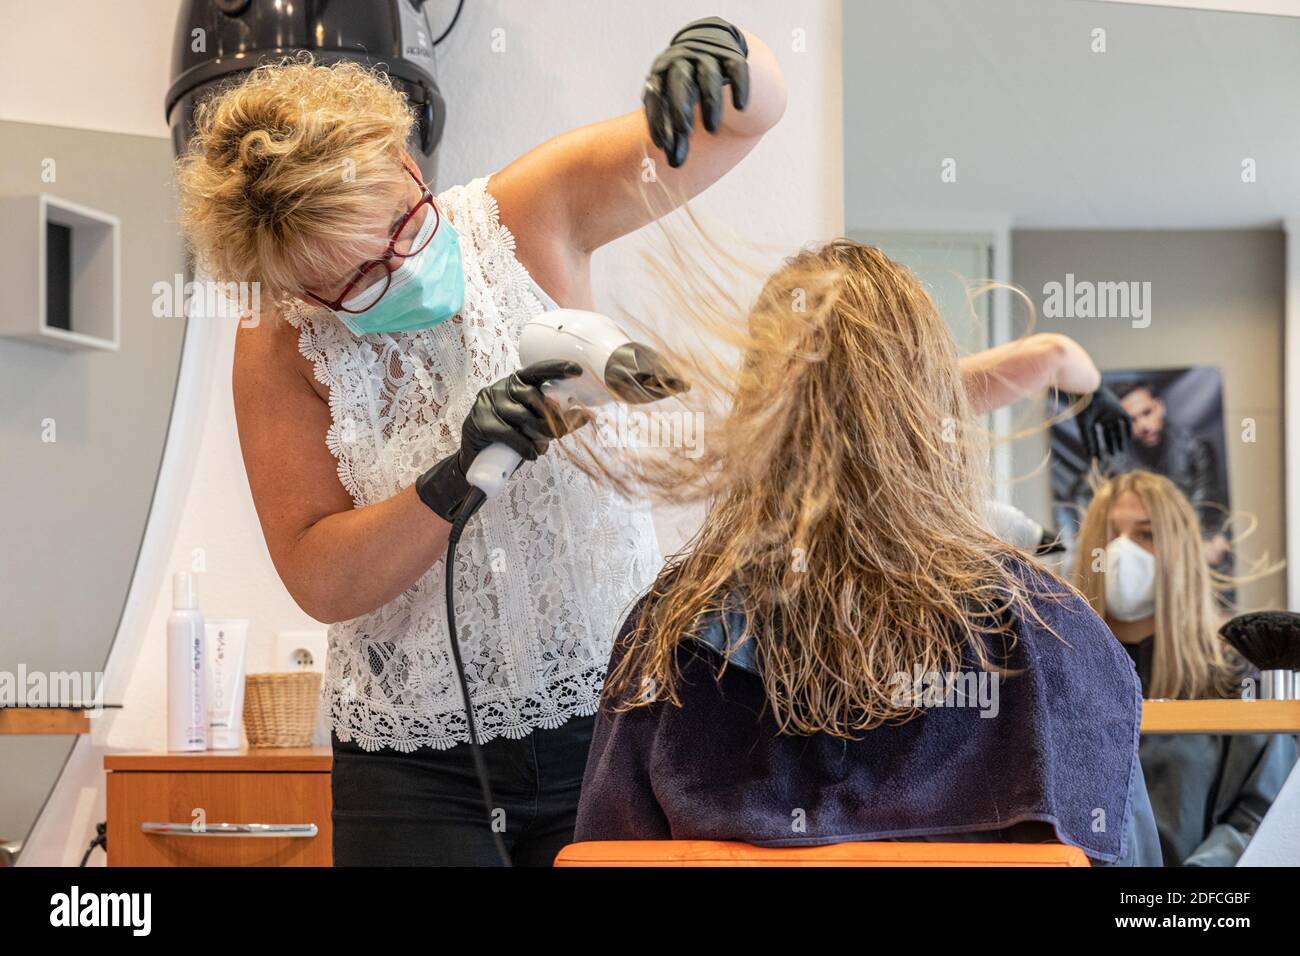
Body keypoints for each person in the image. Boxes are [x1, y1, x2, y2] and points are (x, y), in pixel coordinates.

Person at [174, 16, 787, 865]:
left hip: (610, 725)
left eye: (404, 228)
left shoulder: (532, 210)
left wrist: (726, 57)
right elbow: (320, 575)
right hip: (410, 769)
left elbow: (745, 118)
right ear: (294, 290)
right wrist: (455, 479)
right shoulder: (278, 343)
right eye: (354, 280)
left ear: (405, 162)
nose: (397, 271)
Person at [573, 240, 1162, 866]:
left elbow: (607, 853)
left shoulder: (668, 638)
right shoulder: (1057, 636)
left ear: (757, 409)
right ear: (938, 417)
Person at [1072, 470, 1295, 866]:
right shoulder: (1060, 676)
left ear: (1180, 550)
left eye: (1146, 535)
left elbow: (1259, 812)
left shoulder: (1233, 677)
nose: (1123, 552)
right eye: (1109, 536)